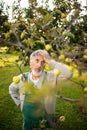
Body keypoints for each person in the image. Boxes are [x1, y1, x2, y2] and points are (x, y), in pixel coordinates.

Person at [9, 49, 72, 130]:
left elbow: (69, 73)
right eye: (36, 61)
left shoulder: (52, 77)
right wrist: (18, 103)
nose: (39, 65)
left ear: (45, 65)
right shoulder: (22, 78)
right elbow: (12, 89)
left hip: (47, 121)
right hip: (28, 122)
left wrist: (50, 61)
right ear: (30, 63)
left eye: (43, 62)